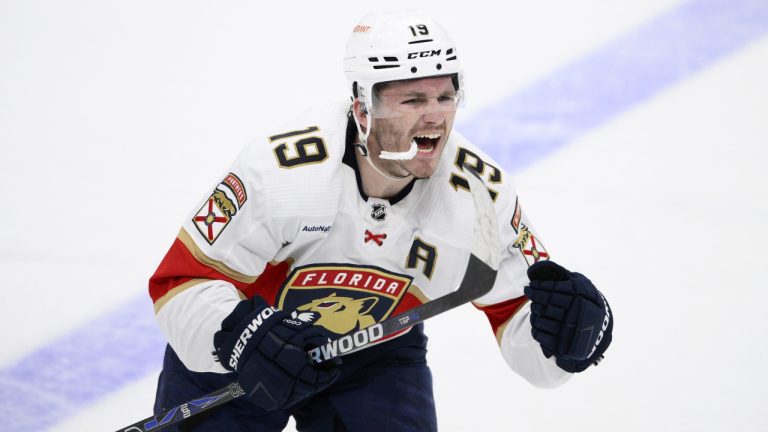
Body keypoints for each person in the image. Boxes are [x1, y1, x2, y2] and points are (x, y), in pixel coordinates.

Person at [149, 9, 613, 432]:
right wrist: (241, 339)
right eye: (412, 100)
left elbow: (520, 319)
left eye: (446, 96)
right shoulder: (281, 173)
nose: (435, 116)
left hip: (373, 356)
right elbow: (180, 284)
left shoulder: (481, 199)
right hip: (245, 349)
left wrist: (568, 341)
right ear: (362, 108)